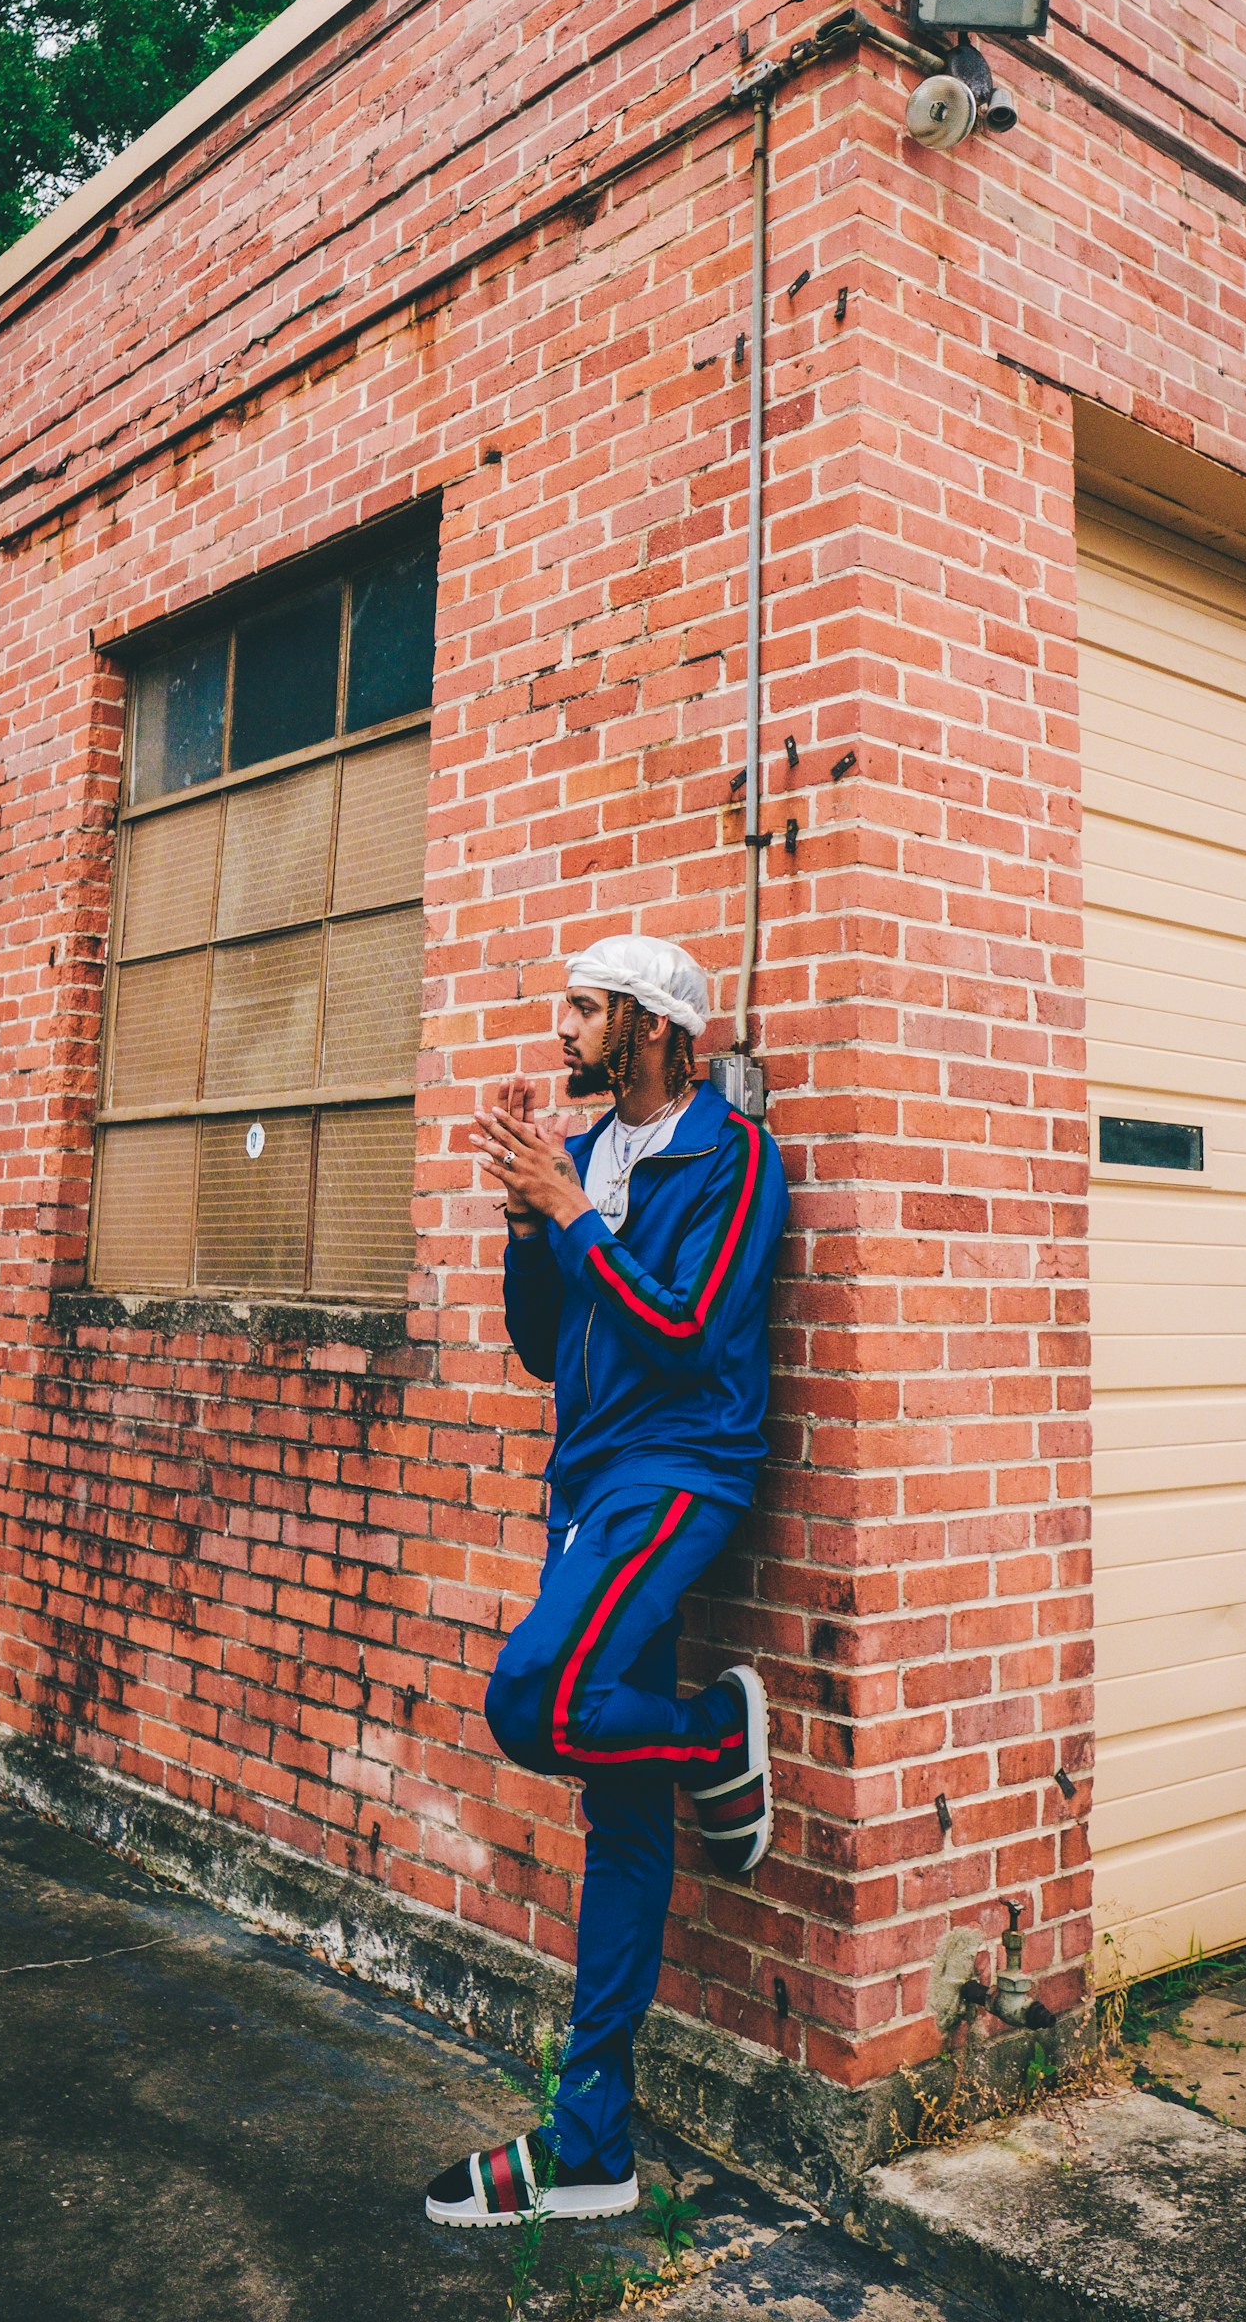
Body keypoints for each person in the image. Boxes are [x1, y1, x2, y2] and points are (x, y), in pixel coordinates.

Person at [424, 934, 789, 2231]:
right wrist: (533, 1221)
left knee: (536, 1702)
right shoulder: (579, 1159)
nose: (562, 1029)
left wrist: (574, 1217)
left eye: (582, 1008)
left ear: (646, 1024)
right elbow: (541, 1342)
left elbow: (691, 1336)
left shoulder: (733, 1159)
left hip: (679, 1473)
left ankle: (709, 1731)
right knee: (622, 1818)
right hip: (587, 1488)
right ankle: (592, 2148)